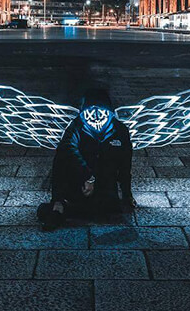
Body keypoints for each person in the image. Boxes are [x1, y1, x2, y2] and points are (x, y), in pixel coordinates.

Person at [37, 85, 136, 231]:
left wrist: (127, 194)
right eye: (91, 112)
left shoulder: (120, 130)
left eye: (101, 112)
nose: (96, 117)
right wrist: (88, 177)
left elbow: (125, 164)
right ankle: (59, 204)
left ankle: (63, 208)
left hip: (104, 182)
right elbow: (67, 150)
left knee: (107, 210)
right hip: (79, 179)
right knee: (63, 154)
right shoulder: (77, 126)